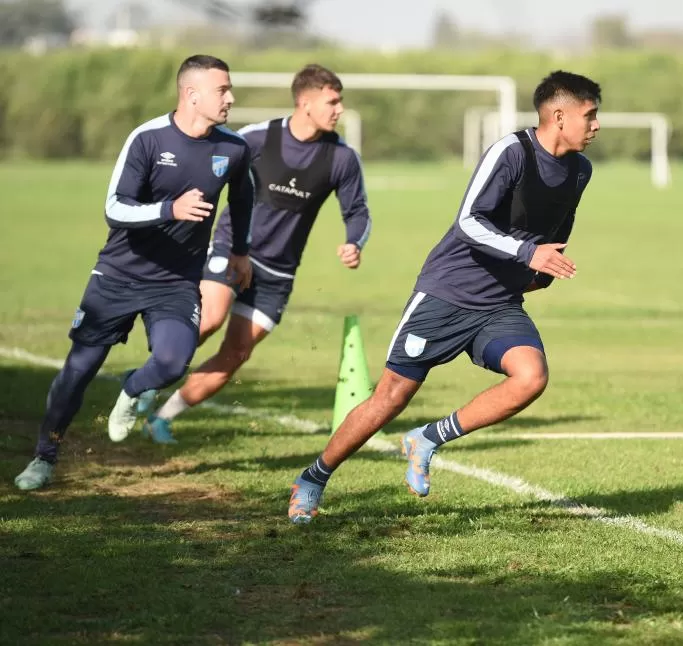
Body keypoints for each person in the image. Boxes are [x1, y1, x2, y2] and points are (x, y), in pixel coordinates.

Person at [287, 70, 601, 524]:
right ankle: (313, 478)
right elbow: (469, 222)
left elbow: (558, 226)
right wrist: (527, 252)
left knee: (530, 378)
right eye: (588, 115)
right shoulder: (511, 152)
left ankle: (428, 438)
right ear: (558, 115)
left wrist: (542, 270)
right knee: (391, 396)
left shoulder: (580, 170)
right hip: (448, 292)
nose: (595, 125)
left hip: (499, 304)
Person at [13, 54, 254, 491]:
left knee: (172, 361)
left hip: (177, 283)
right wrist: (170, 209)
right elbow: (114, 207)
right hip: (118, 277)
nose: (231, 98)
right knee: (77, 372)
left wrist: (240, 251)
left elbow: (242, 198)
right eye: (223, 90)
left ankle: (131, 389)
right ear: (191, 93)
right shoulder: (147, 138)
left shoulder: (234, 148)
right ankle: (43, 457)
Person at [141, 64, 372, 444]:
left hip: (279, 272)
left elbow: (358, 211)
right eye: (332, 101)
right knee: (210, 318)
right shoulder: (257, 138)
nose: (339, 109)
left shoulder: (342, 159)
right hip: (233, 249)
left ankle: (161, 418)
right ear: (305, 102)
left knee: (236, 354)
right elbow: (208, 163)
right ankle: (145, 384)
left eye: (340, 101)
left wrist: (354, 242)